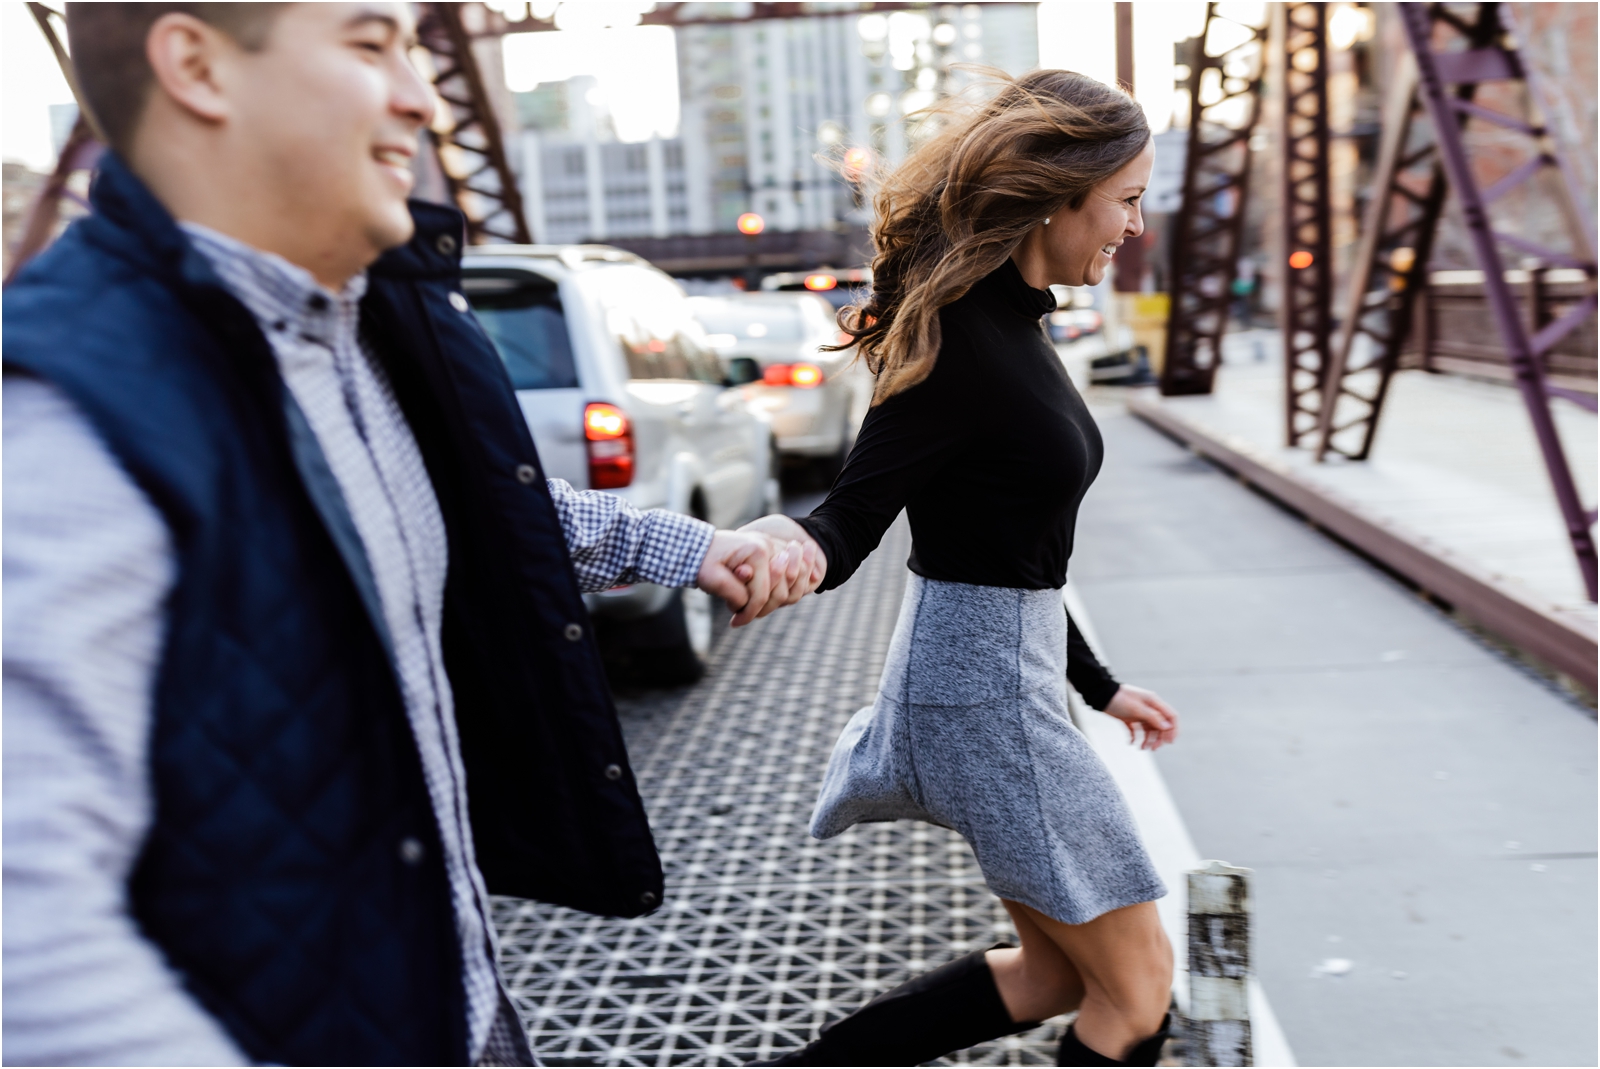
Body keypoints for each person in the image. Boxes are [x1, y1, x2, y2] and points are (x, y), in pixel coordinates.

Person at [2, 4, 817, 1065]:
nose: (422, 97)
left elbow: (479, 508)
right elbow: (31, 951)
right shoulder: (65, 416)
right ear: (197, 67)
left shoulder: (368, 322)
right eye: (369, 42)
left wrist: (685, 550)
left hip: (458, 1001)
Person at [742, 71, 1182, 1067]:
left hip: (997, 673)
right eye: (1124, 199)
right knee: (1140, 987)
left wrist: (1100, 687)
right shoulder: (962, 344)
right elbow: (854, 516)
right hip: (981, 694)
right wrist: (780, 549)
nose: (1132, 225)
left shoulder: (1013, 322)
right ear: (1056, 193)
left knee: (1055, 975)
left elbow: (1010, 550)